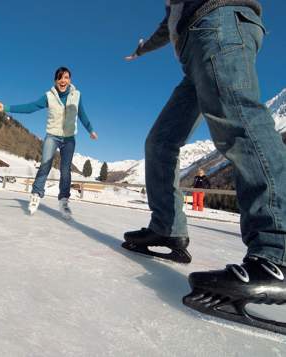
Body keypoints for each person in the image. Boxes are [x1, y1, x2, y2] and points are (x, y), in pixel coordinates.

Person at [122, 1, 286, 334]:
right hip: (196, 50)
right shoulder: (173, 8)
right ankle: (167, 227)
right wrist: (142, 50)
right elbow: (164, 29)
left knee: (238, 120)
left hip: (219, 22)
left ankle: (277, 253)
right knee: (160, 142)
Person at [0, 67, 98, 218]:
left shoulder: (76, 96)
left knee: (65, 170)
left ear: (70, 80)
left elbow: (82, 115)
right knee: (45, 164)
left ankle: (64, 202)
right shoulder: (49, 96)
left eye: (66, 77)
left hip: (69, 138)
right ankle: (36, 195)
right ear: (55, 81)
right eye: (60, 78)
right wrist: (5, 108)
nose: (63, 81)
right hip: (52, 136)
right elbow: (30, 107)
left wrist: (90, 130)